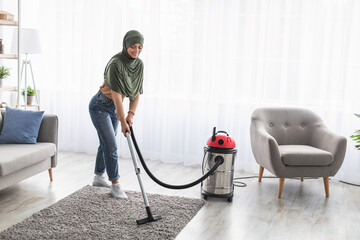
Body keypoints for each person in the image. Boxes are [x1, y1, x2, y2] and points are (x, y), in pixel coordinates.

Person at [89, 30, 144, 199]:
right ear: (126, 45)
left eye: (140, 47)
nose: (136, 50)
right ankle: (115, 185)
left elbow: (136, 93)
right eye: (133, 47)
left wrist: (131, 115)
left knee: (106, 142)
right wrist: (122, 121)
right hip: (100, 106)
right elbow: (117, 96)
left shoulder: (139, 64)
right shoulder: (116, 63)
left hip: (113, 109)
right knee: (111, 145)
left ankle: (98, 177)